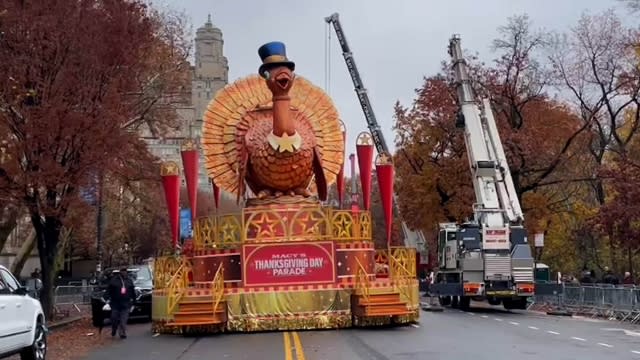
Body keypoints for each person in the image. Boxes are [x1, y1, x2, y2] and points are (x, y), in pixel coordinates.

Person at [104, 267, 135, 339]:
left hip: (126, 303)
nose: (124, 272)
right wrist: (106, 298)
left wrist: (134, 301)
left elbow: (132, 292)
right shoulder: (114, 281)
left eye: (125, 271)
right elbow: (108, 290)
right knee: (114, 318)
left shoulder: (129, 281)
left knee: (123, 320)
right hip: (115, 303)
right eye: (122, 271)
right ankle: (114, 329)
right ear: (120, 272)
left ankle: (122, 332)